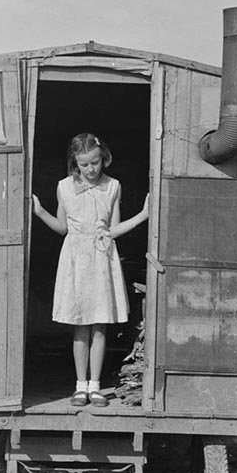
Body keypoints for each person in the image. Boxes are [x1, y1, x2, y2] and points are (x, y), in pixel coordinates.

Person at [32, 132, 149, 407]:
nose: (90, 169)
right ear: (75, 163)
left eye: (95, 162)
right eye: (84, 164)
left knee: (99, 326)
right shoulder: (64, 187)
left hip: (101, 257)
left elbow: (113, 230)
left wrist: (142, 216)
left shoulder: (113, 187)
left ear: (103, 159)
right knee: (80, 326)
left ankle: (96, 386)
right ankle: (80, 386)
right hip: (75, 259)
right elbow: (62, 227)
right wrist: (40, 213)